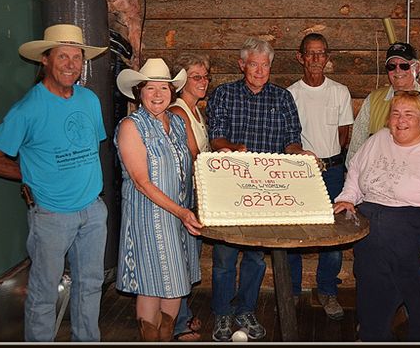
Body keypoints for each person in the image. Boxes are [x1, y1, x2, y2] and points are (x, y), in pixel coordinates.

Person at [0, 24, 109, 342]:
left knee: (90, 286)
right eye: (62, 56)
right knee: (43, 294)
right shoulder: (29, 108)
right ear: (45, 61)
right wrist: (29, 175)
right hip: (51, 216)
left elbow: (92, 147)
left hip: (93, 211)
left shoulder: (90, 100)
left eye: (76, 57)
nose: (70, 64)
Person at [334, 91, 420, 341]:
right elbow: (355, 172)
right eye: (396, 113)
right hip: (373, 243)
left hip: (419, 243)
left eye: (409, 114)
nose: (401, 120)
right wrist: (347, 197)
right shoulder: (378, 140)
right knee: (373, 302)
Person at [206, 37, 315, 342]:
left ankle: (245, 310)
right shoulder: (224, 94)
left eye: (265, 64)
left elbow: (292, 140)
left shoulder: (282, 99)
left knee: (255, 258)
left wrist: (298, 154)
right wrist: (233, 148)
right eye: (253, 63)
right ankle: (223, 314)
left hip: (266, 194)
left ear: (270, 66)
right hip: (229, 190)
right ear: (242, 65)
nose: (259, 70)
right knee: (225, 258)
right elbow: (216, 138)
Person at [114, 58, 202, 342]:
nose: (157, 94)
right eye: (150, 88)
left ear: (172, 91)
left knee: (176, 285)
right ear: (139, 91)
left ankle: (166, 337)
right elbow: (141, 181)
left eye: (163, 88)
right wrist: (182, 212)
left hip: (178, 216)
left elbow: (196, 162)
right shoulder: (131, 126)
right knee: (151, 285)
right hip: (148, 216)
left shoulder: (177, 122)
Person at [286, 33, 354, 320]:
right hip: (299, 173)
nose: (315, 59)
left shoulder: (340, 92)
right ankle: (291, 290)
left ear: (327, 58)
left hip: (333, 172)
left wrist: (328, 160)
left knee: (334, 235)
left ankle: (327, 289)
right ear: (300, 57)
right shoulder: (290, 93)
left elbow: (343, 135)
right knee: (294, 233)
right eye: (310, 53)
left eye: (321, 53)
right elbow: (289, 137)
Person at [346, 42, 420, 167]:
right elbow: (356, 147)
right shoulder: (373, 100)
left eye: (404, 65)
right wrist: (352, 174)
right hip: (379, 181)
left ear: (417, 68)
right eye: (391, 66)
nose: (397, 70)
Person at [168, 52, 212, 342]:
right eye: (196, 76)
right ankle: (177, 323)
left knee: (188, 255)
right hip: (184, 193)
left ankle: (182, 315)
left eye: (206, 76)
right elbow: (194, 157)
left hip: (198, 191)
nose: (204, 81)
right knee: (180, 257)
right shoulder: (178, 112)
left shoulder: (197, 111)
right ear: (182, 80)